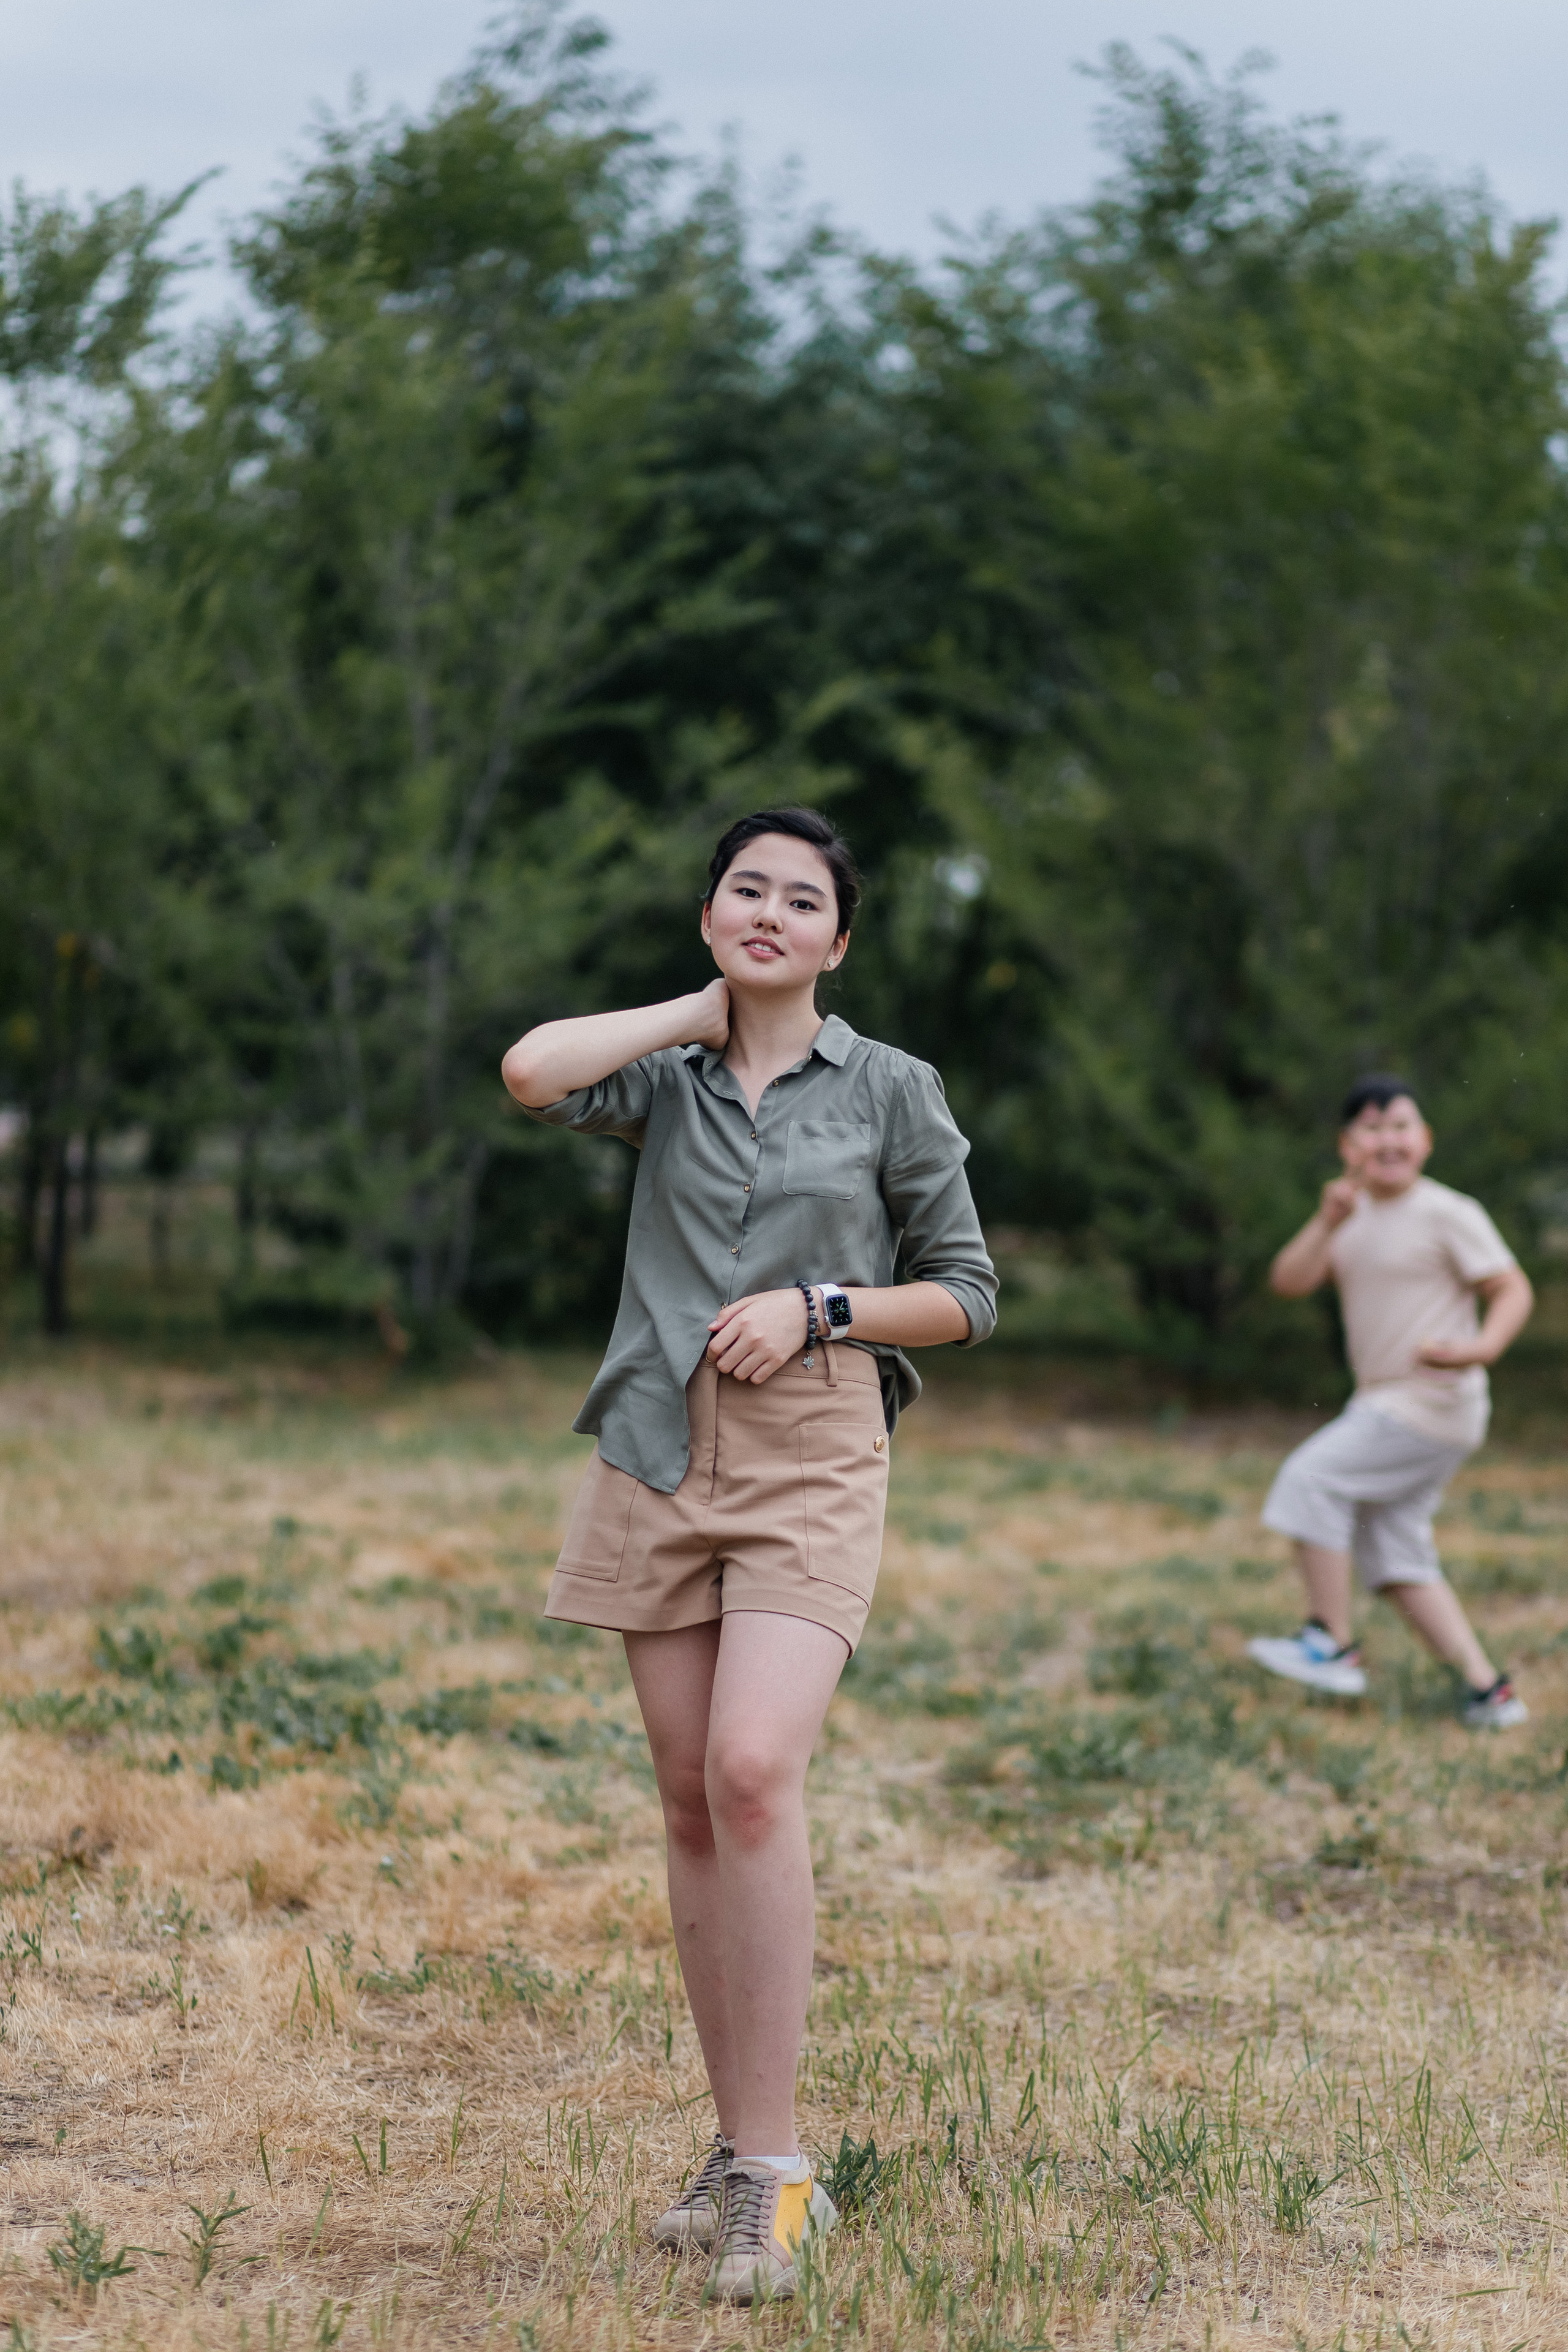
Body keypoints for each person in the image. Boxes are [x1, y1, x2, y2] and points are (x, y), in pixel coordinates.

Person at [500, 807, 996, 2302]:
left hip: (811, 1450)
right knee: (686, 1796)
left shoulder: (891, 1088)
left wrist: (823, 1307)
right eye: (744, 890)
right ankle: (734, 2151)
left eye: (801, 900)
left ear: (839, 941)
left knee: (752, 1771)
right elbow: (530, 1072)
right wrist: (702, 1008)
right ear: (711, 914)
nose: (770, 910)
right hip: (654, 1442)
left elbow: (965, 1292)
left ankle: (775, 2177)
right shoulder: (664, 1077)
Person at [1248, 1074, 1534, 1728]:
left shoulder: (1447, 1212)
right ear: (1347, 1146)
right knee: (1394, 1553)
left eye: (1401, 1126)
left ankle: (1330, 1641)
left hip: (1430, 1400)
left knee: (1311, 1478)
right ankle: (1489, 1693)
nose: (1388, 1141)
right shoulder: (1348, 1217)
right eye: (1372, 1129)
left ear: (1425, 1140)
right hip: (1383, 1402)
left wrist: (1482, 1347)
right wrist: (1326, 1220)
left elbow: (1511, 1287)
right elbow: (1288, 1280)